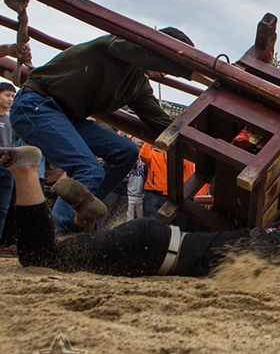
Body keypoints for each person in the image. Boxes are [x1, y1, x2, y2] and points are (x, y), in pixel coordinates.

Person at [4, 145, 280, 287]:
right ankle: (27, 168)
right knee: (41, 258)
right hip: (148, 249)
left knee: (56, 255)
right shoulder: (279, 244)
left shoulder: (264, 241)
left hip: (151, 245)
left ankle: (83, 213)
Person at [10, 28, 205, 233]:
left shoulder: (137, 84)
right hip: (37, 104)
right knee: (89, 168)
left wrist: (205, 139)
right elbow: (131, 51)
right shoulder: (116, 45)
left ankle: (83, 208)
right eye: (172, 62)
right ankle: (60, 232)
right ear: (156, 51)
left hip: (69, 119)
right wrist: (196, 73)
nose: (168, 70)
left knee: (126, 151)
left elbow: (161, 123)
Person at [0, 81, 16, 240]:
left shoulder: (11, 120)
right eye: (7, 95)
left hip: (7, 169)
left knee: (3, 209)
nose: (10, 99)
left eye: (12, 96)